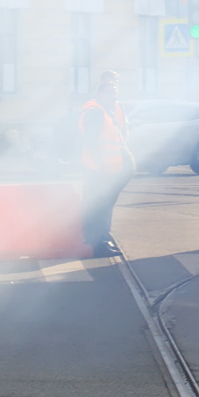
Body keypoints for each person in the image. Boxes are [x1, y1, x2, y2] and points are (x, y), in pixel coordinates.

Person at [78, 73, 133, 258]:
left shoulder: (108, 111)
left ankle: (103, 239)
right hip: (99, 171)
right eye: (110, 93)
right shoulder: (95, 112)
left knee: (104, 207)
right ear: (100, 94)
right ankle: (98, 245)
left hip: (109, 170)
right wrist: (101, 168)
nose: (114, 97)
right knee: (99, 207)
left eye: (115, 94)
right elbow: (92, 143)